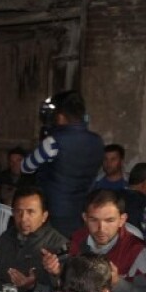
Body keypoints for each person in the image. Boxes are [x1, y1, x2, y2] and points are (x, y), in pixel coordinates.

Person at [42, 189, 146, 292]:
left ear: (122, 220)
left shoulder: (139, 252)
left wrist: (116, 282)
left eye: (109, 220)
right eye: (94, 220)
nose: (101, 228)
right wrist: (58, 272)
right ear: (85, 218)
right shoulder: (78, 240)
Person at [22, 90, 105, 239]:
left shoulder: (54, 142)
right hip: (83, 207)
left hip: (55, 210)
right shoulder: (97, 141)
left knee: (53, 253)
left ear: (60, 116)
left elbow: (26, 166)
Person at [0, 184, 69, 292]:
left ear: (44, 216)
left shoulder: (58, 245)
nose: (23, 218)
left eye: (31, 212)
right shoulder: (5, 238)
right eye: (18, 211)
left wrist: (34, 285)